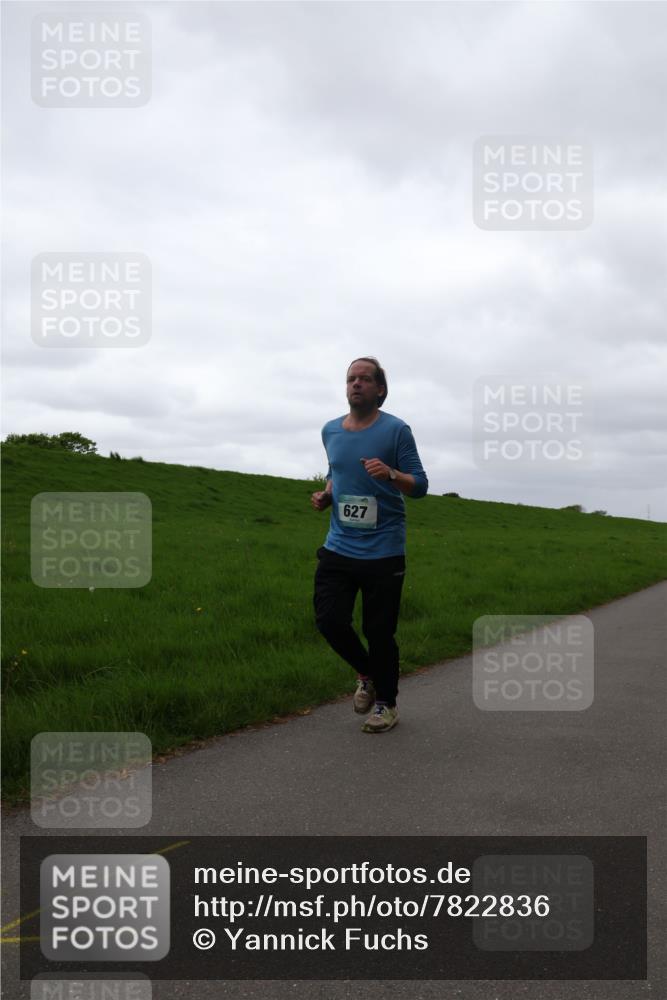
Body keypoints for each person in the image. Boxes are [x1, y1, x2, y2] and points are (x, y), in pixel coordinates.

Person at [311, 357, 428, 732]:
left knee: (378, 632)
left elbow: (421, 486)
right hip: (339, 545)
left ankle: (385, 704)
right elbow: (336, 473)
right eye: (350, 379)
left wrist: (391, 473)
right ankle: (366, 672)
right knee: (329, 620)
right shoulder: (331, 431)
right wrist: (328, 495)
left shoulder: (396, 431)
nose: (355, 384)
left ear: (380, 389)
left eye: (364, 379)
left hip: (384, 551)